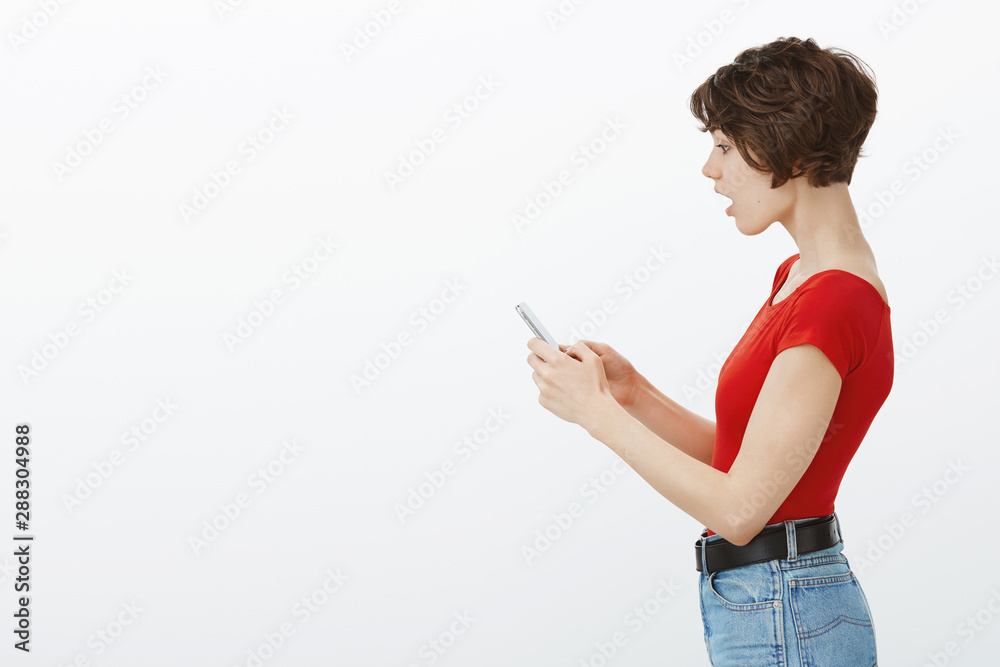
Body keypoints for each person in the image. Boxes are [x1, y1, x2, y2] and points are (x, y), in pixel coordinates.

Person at [524, 36, 890, 666]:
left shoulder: (834, 300)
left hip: (784, 608)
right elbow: (745, 463)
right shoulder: (801, 278)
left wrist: (596, 415)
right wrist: (633, 395)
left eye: (724, 146)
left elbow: (741, 511)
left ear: (791, 148)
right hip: (772, 602)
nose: (709, 169)